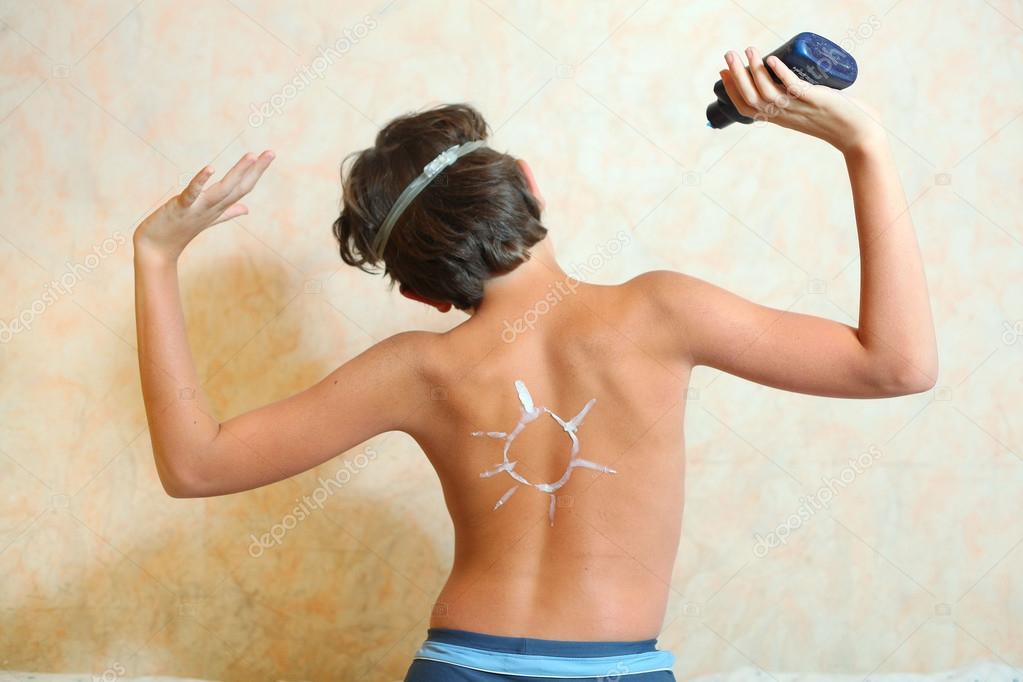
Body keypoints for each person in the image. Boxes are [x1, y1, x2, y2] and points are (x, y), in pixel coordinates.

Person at [132, 47, 938, 680]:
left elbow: (194, 466)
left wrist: (156, 259)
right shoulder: (661, 311)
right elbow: (897, 365)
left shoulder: (415, 369)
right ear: (527, 185)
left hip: (453, 669)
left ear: (422, 294)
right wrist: (862, 145)